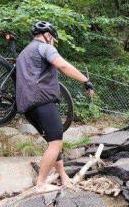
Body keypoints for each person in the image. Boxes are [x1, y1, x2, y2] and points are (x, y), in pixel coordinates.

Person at [16, 21, 94, 193]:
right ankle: (41, 183)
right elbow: (63, 65)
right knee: (56, 141)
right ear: (48, 35)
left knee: (53, 142)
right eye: (53, 39)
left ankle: (63, 176)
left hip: (27, 105)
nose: (53, 42)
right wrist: (85, 81)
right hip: (42, 100)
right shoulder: (44, 48)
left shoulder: (23, 53)